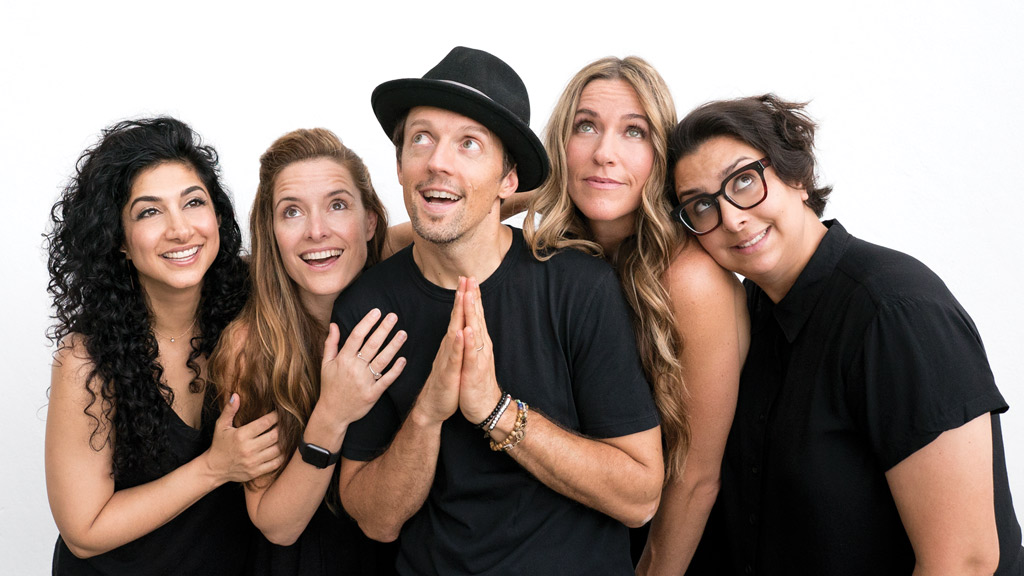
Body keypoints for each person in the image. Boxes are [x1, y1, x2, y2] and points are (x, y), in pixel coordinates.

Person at [332, 46, 664, 575]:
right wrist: (428, 413)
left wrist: (495, 409)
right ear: (398, 166)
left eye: (469, 144)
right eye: (422, 138)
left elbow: (640, 497)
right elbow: (375, 521)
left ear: (509, 179)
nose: (438, 162)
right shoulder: (366, 308)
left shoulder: (579, 285)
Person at [668, 94, 1024, 575]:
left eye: (745, 181)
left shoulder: (894, 313)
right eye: (701, 205)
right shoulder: (745, 314)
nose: (731, 218)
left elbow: (965, 562)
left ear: (796, 176)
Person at [523, 56, 749, 573]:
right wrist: (520, 189)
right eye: (586, 127)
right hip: (593, 538)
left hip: (686, 543)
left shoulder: (689, 279)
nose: (604, 153)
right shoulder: (558, 257)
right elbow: (408, 243)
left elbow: (696, 478)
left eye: (634, 132)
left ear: (660, 155)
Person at [44, 117, 284, 575]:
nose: (180, 229)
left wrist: (433, 227)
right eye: (149, 212)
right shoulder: (86, 361)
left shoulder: (250, 297)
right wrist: (215, 467)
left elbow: (352, 246)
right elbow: (84, 532)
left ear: (217, 215)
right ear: (118, 240)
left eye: (193, 202)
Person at [209, 127, 403, 575]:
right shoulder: (251, 346)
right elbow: (277, 525)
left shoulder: (403, 295)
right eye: (292, 212)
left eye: (337, 205)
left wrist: (518, 194)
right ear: (271, 232)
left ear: (370, 222)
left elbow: (443, 227)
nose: (317, 231)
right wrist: (332, 413)